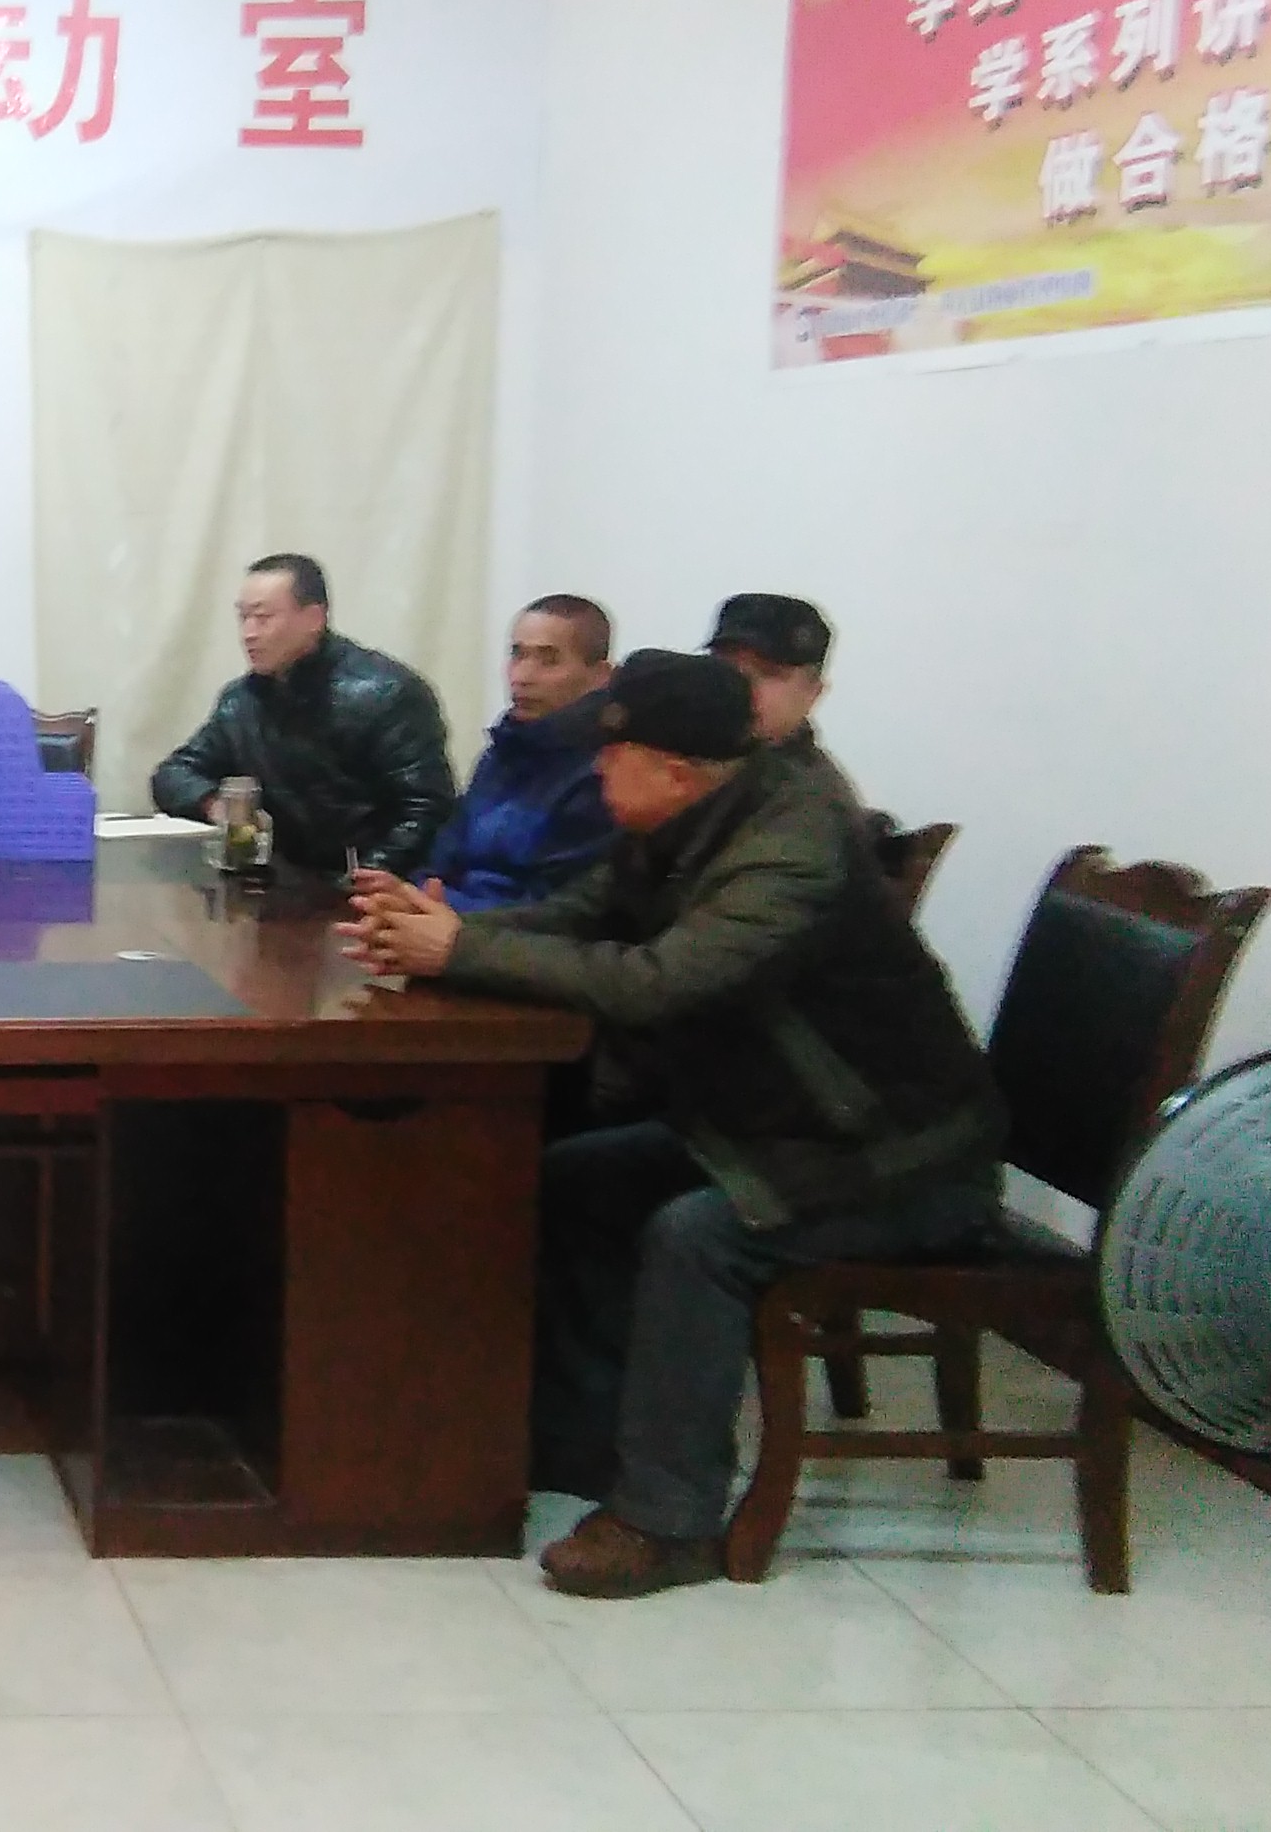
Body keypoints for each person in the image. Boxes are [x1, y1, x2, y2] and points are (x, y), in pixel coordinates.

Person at [339, 653, 1004, 1600]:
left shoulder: (790, 849)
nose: (595, 772)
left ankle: (668, 1521)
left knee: (695, 1238)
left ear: (677, 772)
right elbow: (581, 916)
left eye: (612, 760)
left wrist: (463, 950)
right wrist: (446, 936)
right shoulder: (685, 822)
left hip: (896, 1156)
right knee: (573, 1183)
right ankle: (581, 1446)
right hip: (776, 1129)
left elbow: (661, 982)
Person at [149, 553, 457, 876]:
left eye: (263, 618)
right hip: (274, 880)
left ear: (314, 618)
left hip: (367, 886)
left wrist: (362, 881)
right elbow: (173, 773)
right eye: (243, 618)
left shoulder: (387, 694)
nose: (248, 633)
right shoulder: (243, 700)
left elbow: (428, 810)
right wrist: (217, 804)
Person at [422, 594, 619, 911]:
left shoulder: (604, 771)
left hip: (510, 933)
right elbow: (442, 859)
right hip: (448, 920)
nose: (522, 677)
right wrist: (406, 896)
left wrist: (443, 912)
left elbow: (557, 908)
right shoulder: (502, 752)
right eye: (517, 655)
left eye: (548, 660)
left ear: (600, 676)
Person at [705, 592, 855, 805]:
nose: (740, 683)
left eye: (768, 673)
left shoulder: (808, 800)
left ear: (812, 694)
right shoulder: (671, 748)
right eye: (726, 665)